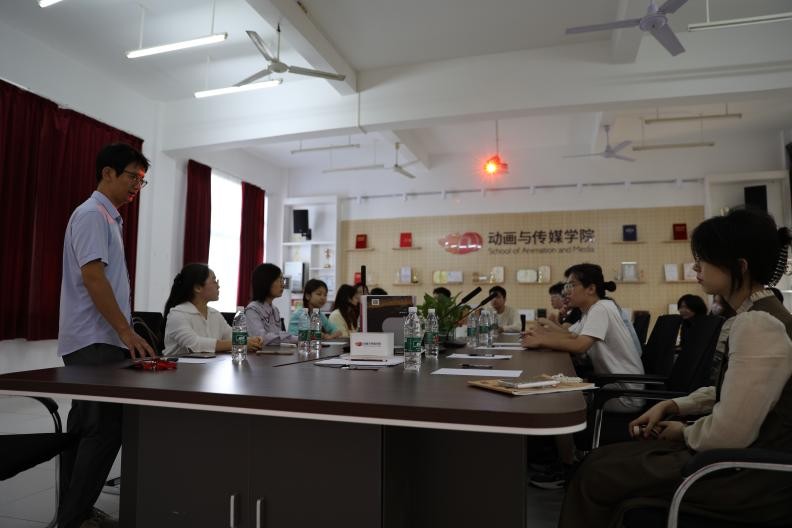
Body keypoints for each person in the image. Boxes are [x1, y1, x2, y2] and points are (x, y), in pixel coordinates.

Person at [559, 209, 792, 528]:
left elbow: (730, 433)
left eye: (703, 259)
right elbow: (737, 392)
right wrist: (673, 405)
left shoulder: (759, 324)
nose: (696, 267)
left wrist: (682, 431)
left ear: (740, 266)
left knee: (595, 473)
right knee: (600, 464)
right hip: (737, 460)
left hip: (745, 478)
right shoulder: (759, 316)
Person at [57, 143, 155, 528]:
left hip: (97, 338)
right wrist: (124, 330)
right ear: (107, 173)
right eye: (133, 177)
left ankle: (74, 511)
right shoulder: (92, 214)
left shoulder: (108, 218)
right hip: (93, 339)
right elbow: (93, 277)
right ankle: (73, 517)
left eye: (142, 181)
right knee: (104, 430)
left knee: (85, 428)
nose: (136, 186)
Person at [521, 263, 644, 489]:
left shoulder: (601, 308)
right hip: (611, 386)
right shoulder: (592, 310)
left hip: (624, 392)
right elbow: (569, 335)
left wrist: (540, 340)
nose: (567, 291)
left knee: (558, 397)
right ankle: (560, 459)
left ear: (591, 288)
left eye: (572, 285)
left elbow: (579, 345)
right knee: (554, 388)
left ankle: (568, 468)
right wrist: (542, 333)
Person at [162, 264, 262, 356]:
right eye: (214, 281)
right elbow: (195, 344)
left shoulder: (214, 314)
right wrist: (239, 342)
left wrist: (252, 341)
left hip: (206, 367)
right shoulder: (177, 314)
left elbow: (231, 335)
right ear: (197, 288)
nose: (218, 286)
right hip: (177, 368)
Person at [245, 263, 297, 345]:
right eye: (279, 280)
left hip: (274, 352)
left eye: (283, 280)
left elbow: (278, 337)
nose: (283, 285)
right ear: (266, 282)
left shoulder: (275, 309)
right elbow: (262, 339)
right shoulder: (252, 310)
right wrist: (294, 339)